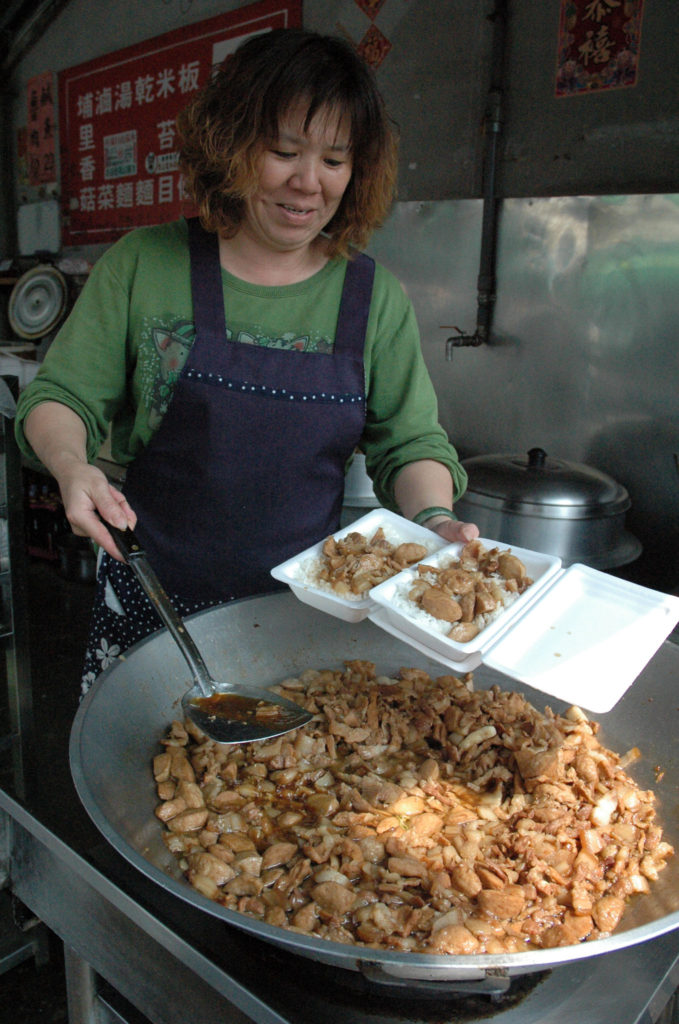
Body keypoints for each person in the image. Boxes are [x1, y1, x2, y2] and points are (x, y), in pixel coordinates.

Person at [15, 28, 479, 693]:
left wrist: (435, 520)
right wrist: (70, 466)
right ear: (227, 144)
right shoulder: (145, 263)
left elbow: (409, 442)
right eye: (282, 151)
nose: (307, 183)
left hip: (304, 615)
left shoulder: (371, 296)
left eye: (334, 159)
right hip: (153, 598)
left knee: (283, 788)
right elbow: (63, 395)